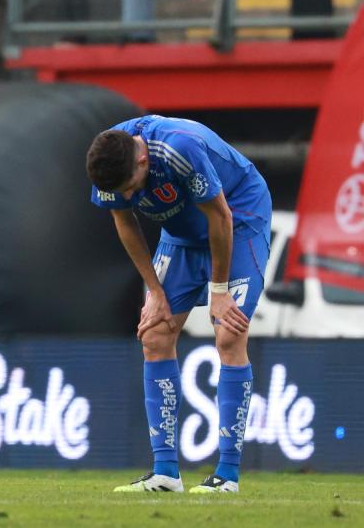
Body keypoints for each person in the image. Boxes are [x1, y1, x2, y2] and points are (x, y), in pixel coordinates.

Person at [86, 115, 271, 493]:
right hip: (182, 236)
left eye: (130, 188)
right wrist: (155, 291)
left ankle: (227, 475)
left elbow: (220, 216)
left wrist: (219, 290)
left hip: (238, 219)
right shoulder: (109, 159)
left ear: (143, 160)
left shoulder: (179, 147)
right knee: (154, 334)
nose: (127, 197)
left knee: (229, 333)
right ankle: (166, 473)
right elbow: (124, 222)